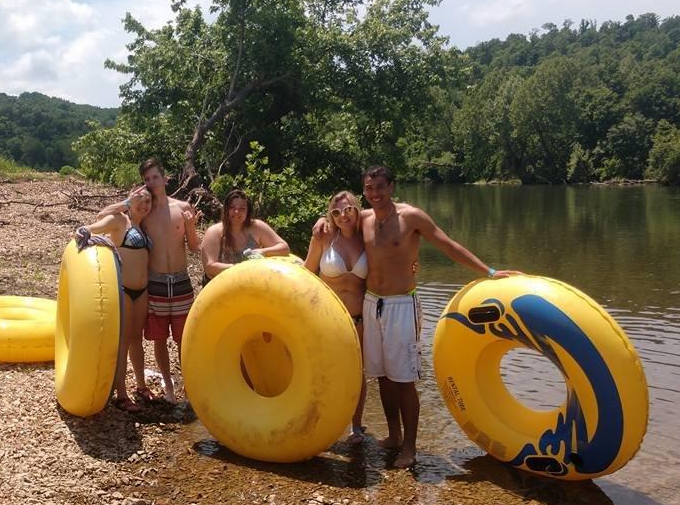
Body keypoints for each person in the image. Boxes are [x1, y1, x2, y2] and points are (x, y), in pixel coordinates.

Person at [315, 166, 520, 469]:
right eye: (369, 189)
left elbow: (448, 245)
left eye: (380, 187)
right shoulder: (365, 220)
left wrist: (489, 272)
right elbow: (338, 220)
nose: (375, 194)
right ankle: (394, 436)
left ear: (392, 186)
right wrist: (321, 219)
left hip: (401, 306)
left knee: (404, 379)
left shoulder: (411, 217)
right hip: (373, 304)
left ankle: (410, 446)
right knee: (382, 375)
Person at [96, 158, 201, 403]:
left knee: (186, 337)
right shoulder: (144, 209)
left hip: (181, 280)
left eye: (155, 177)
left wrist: (191, 225)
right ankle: (169, 386)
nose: (151, 183)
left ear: (165, 179)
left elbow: (194, 246)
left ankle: (192, 384)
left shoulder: (182, 207)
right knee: (159, 338)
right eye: (147, 179)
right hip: (154, 282)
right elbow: (106, 215)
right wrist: (127, 201)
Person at [76, 187, 154, 412]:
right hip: (125, 290)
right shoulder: (120, 221)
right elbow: (98, 223)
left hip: (142, 291)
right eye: (140, 199)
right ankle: (121, 394)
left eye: (148, 200)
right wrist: (86, 232)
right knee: (123, 342)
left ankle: (141, 385)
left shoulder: (144, 226)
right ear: (130, 199)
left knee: (137, 340)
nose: (144, 204)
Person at [304, 190, 369, 444]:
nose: (343, 215)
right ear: (330, 214)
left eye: (349, 209)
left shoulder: (368, 237)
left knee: (357, 373)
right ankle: (319, 422)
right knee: (322, 371)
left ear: (357, 209)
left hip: (359, 318)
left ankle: (356, 425)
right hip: (327, 320)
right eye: (336, 211)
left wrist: (411, 264)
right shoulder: (324, 237)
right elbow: (307, 271)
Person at [201, 188, 290, 282]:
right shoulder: (214, 232)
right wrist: (241, 268)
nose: (236, 212)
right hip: (219, 287)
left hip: (249, 286)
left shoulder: (257, 227)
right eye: (232, 207)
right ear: (226, 209)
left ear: (248, 211)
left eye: (242, 208)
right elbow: (209, 267)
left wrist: (262, 252)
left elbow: (284, 248)